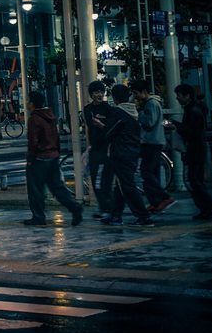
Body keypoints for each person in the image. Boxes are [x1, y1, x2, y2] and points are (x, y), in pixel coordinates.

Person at [95, 84, 153, 226]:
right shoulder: (133, 110)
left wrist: (100, 125)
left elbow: (109, 132)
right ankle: (116, 215)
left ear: (114, 98)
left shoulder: (118, 113)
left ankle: (143, 216)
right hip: (132, 151)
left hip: (121, 153)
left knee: (127, 186)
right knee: (120, 185)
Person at [25, 89, 83, 226]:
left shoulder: (34, 119)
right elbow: (55, 137)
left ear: (32, 104)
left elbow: (33, 141)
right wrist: (57, 152)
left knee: (36, 189)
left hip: (40, 158)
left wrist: (30, 158)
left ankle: (38, 216)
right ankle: (74, 207)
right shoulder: (51, 116)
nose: (27, 103)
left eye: (28, 101)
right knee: (57, 188)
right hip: (53, 156)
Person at [175, 83, 212, 220]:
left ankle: (209, 205)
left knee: (194, 180)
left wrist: (177, 126)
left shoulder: (192, 111)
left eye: (179, 96)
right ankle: (207, 207)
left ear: (187, 96)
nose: (177, 98)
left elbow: (192, 132)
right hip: (197, 148)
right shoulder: (196, 108)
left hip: (195, 148)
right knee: (195, 180)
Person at [131, 79, 174, 213]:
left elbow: (149, 122)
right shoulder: (151, 103)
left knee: (146, 172)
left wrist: (139, 114)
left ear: (144, 92)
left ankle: (164, 197)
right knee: (152, 173)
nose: (135, 97)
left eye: (136, 93)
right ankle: (155, 202)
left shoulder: (151, 104)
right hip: (153, 141)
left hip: (152, 142)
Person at [82, 80, 111, 210]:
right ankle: (104, 207)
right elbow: (88, 128)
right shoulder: (87, 109)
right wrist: (88, 146)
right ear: (91, 94)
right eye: (96, 92)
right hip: (94, 148)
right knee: (94, 179)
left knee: (105, 180)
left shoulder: (108, 108)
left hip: (107, 148)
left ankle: (107, 208)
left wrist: (101, 125)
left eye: (101, 92)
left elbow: (111, 128)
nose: (99, 94)